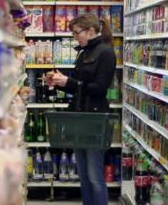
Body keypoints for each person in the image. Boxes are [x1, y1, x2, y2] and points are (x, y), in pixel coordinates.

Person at [45, 13, 116, 205]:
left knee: (94, 176)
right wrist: (59, 82)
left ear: (90, 31)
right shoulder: (83, 53)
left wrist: (71, 82)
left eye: (77, 33)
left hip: (95, 119)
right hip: (79, 118)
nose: (75, 37)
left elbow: (100, 88)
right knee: (83, 175)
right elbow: (77, 87)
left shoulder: (106, 53)